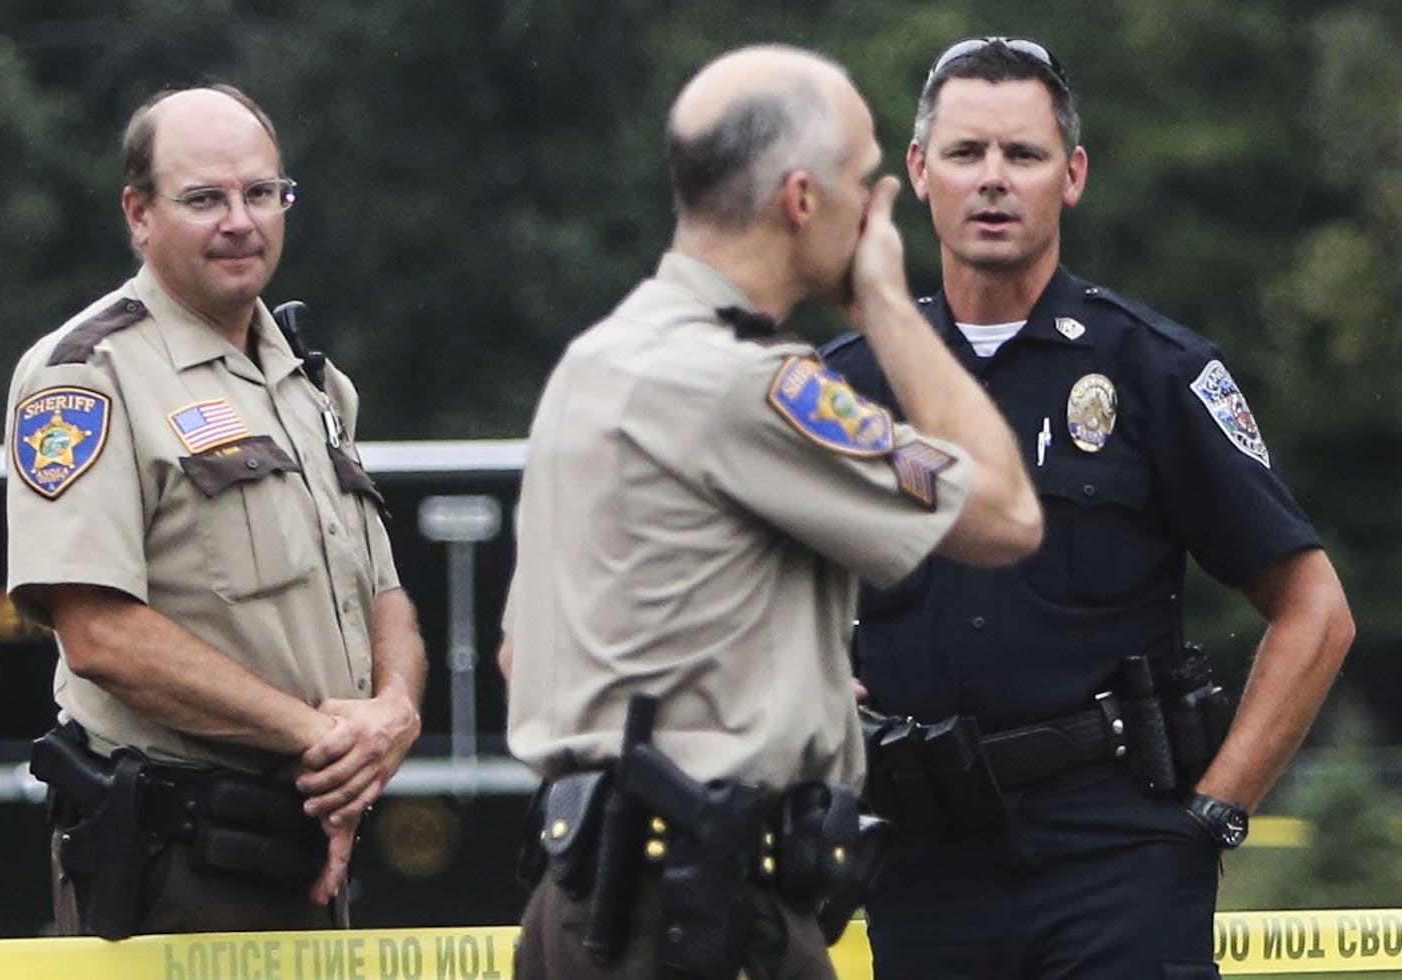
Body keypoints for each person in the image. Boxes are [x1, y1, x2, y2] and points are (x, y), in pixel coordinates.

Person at [497, 44, 1043, 980]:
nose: (880, 212)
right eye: (867, 184)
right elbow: (1004, 512)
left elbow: (523, 649)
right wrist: (884, 304)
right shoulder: (753, 387)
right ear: (801, 202)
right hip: (699, 907)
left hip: (584, 895)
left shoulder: (597, 360)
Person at [821, 37, 1356, 979]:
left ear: (1071, 176)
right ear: (917, 171)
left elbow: (1315, 612)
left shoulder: (1153, 371)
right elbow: (749, 590)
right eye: (966, 153)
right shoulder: (848, 389)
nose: (994, 180)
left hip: (1117, 856)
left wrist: (1215, 812)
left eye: (1022, 156)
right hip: (922, 858)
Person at [4, 84, 426, 939]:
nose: (241, 221)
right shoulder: (86, 375)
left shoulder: (312, 381)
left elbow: (384, 595)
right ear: (139, 213)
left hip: (309, 846)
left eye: (262, 193)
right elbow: (98, 634)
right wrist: (319, 739)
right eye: (205, 199)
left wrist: (394, 715)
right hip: (175, 866)